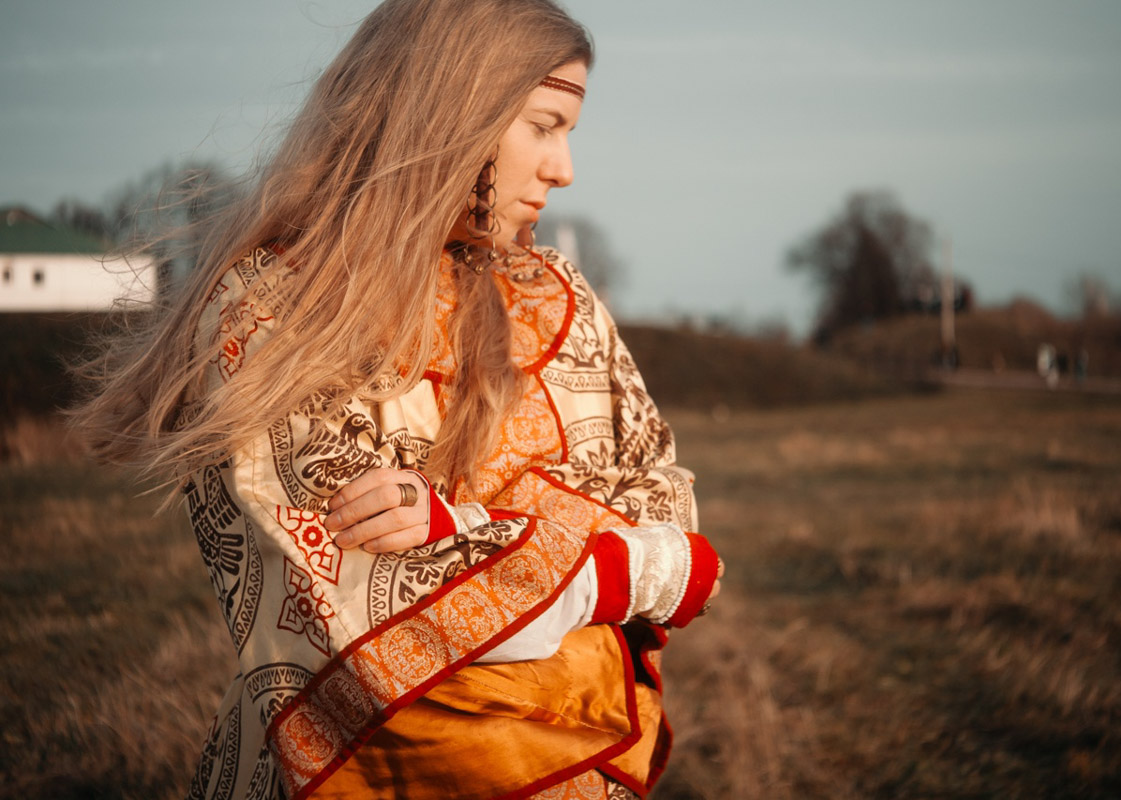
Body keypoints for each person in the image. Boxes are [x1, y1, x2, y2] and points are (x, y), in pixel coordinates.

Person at [74, 1, 721, 798]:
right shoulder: (274, 315)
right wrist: (610, 571)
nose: (564, 169)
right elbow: (358, 620)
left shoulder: (563, 301)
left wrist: (465, 532)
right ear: (454, 114)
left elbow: (672, 519)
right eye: (544, 126)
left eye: (568, 132)